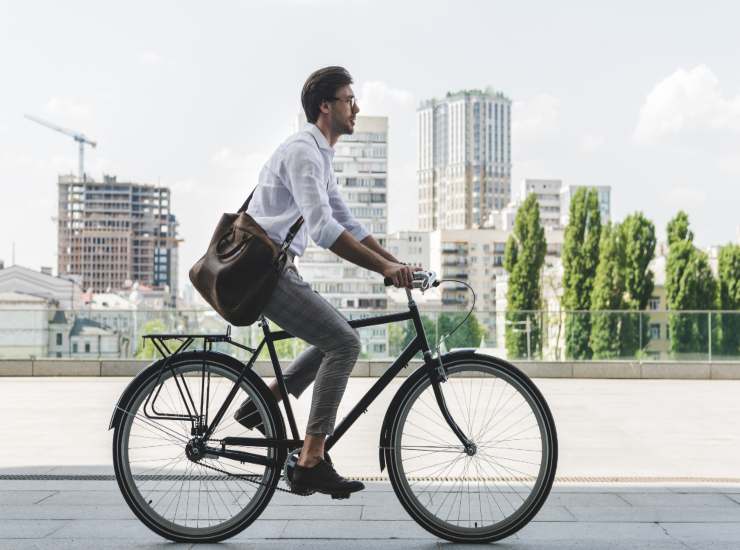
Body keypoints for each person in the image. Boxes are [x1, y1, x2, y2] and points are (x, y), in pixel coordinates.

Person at [233, 66, 420, 497]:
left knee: (335, 334)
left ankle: (260, 405)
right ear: (325, 106)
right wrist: (382, 269)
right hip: (264, 272)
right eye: (349, 99)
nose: (356, 107)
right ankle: (311, 458)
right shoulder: (303, 151)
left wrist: (395, 263)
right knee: (344, 343)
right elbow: (321, 228)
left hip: (278, 268)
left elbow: (347, 222)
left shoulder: (321, 155)